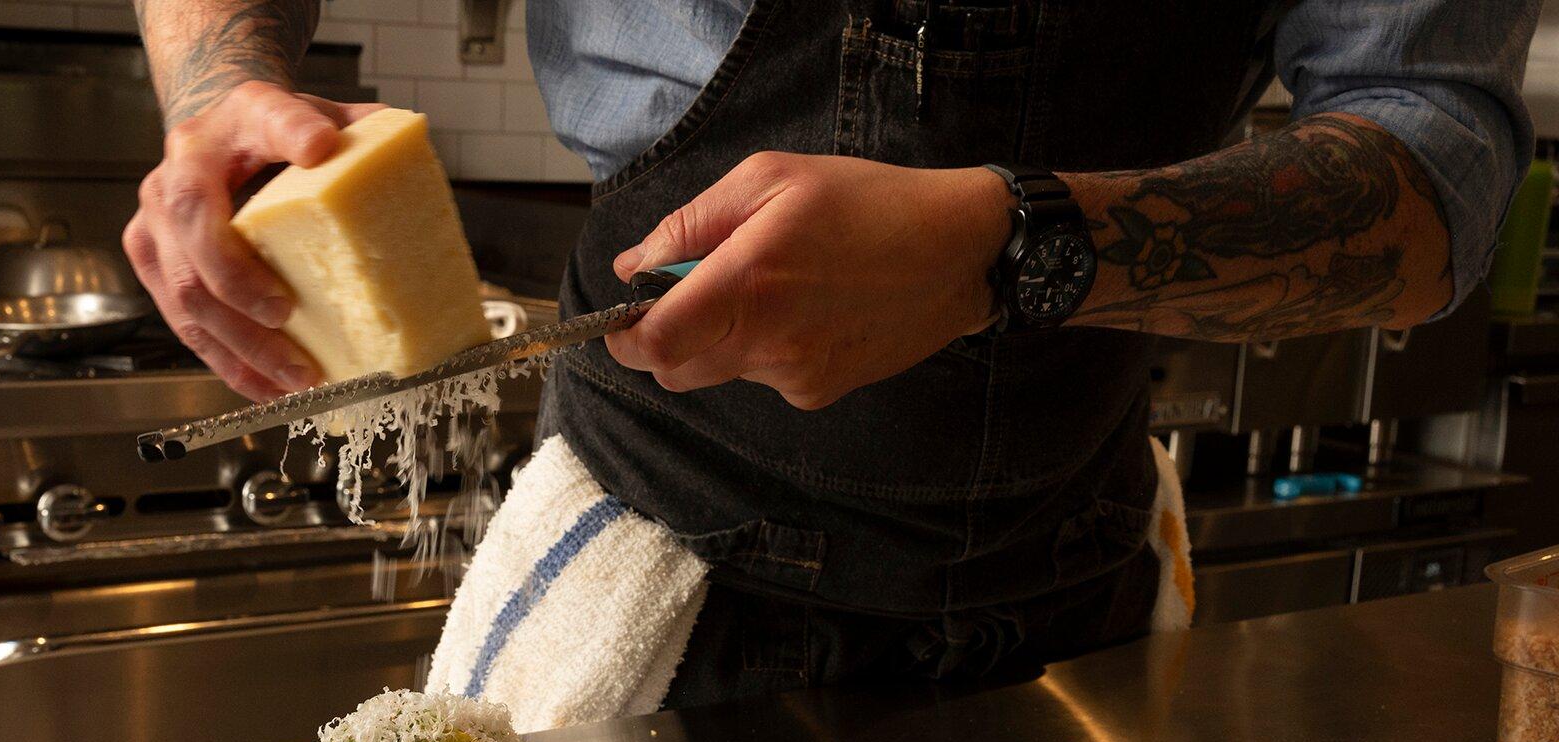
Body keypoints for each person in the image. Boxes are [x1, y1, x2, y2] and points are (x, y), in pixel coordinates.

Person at [122, 0, 1537, 706]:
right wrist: (220, 77)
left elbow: (1440, 166)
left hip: (1076, 589)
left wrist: (1011, 249)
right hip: (646, 557)